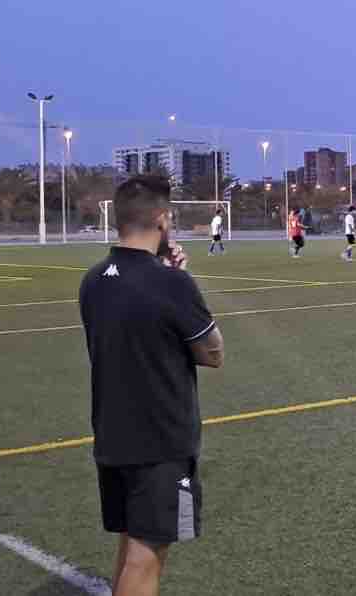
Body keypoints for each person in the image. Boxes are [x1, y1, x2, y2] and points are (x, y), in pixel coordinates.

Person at [78, 175, 225, 596]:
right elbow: (213, 353)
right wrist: (181, 279)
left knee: (130, 544)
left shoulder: (93, 280)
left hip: (112, 435)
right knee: (147, 558)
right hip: (161, 441)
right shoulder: (172, 283)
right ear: (163, 219)